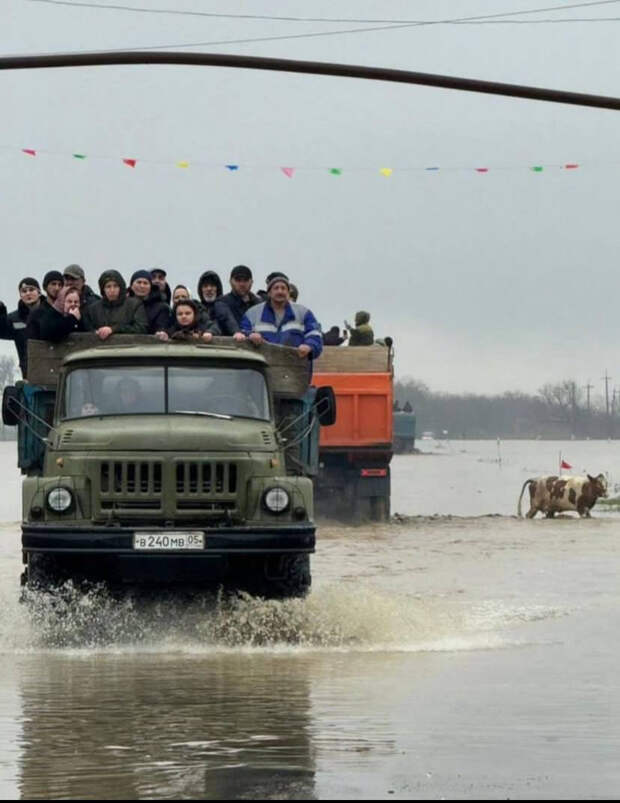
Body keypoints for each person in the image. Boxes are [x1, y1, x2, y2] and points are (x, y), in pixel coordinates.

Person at [240, 275, 323, 360]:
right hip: (263, 370)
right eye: (276, 288)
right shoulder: (252, 314)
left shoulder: (304, 313)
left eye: (283, 288)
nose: (280, 291)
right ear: (269, 293)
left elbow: (315, 335)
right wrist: (250, 335)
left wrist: (309, 346)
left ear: (288, 293)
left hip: (296, 369)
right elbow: (242, 334)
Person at [82, 270, 148, 340]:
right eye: (108, 287)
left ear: (121, 287)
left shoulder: (134, 305)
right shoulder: (93, 309)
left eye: (115, 286)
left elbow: (142, 328)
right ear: (103, 289)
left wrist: (114, 329)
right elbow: (87, 330)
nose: (112, 290)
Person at [0, 277, 43, 375]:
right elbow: (2, 330)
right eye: (24, 291)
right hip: (28, 371)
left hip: (53, 366)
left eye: (31, 290)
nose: (28, 293)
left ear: (39, 292)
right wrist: (1, 313)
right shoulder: (15, 318)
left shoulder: (49, 312)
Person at [196, 270, 245, 339]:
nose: (209, 289)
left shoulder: (224, 305)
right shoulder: (197, 308)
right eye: (205, 286)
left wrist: (236, 332)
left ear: (217, 288)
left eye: (212, 286)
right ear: (201, 290)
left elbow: (228, 319)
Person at [128, 269, 171, 334]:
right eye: (139, 282)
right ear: (131, 286)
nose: (142, 286)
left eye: (145, 283)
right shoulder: (124, 304)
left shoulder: (161, 307)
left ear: (150, 287)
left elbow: (161, 328)